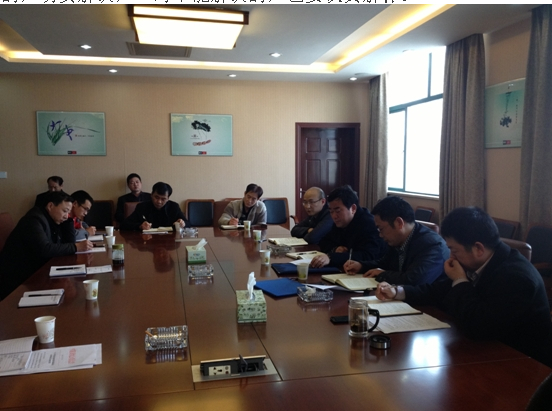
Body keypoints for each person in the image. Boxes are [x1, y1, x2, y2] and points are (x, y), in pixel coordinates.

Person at [376, 206, 552, 367]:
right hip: (486, 352)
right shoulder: (482, 260)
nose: (450, 257)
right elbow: (438, 291)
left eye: (454, 250)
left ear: (478, 249)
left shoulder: (516, 277)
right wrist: (397, 292)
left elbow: (478, 327)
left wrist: (460, 280)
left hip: (523, 365)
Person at [0, 191, 93, 300]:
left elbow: (68, 242)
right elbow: (45, 249)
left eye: (68, 212)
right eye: (64, 211)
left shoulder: (53, 219)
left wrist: (68, 220)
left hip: (36, 271)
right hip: (19, 279)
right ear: (50, 206)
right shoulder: (34, 220)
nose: (66, 215)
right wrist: (76, 247)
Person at [343, 196, 449, 285]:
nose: (380, 235)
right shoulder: (399, 239)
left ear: (399, 223)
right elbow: (384, 263)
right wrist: (361, 266)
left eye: (381, 229)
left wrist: (383, 274)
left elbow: (415, 280)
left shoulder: (432, 245)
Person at [311, 185, 386, 269]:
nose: (334, 216)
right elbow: (324, 241)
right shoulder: (341, 222)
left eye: (338, 211)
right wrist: (335, 249)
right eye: (331, 211)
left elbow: (367, 255)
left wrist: (331, 257)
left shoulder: (369, 224)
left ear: (353, 208)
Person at [121, 182, 188, 230]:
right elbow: (124, 225)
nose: (159, 201)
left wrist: (183, 223)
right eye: (156, 197)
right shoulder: (142, 207)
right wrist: (140, 226)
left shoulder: (174, 207)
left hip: (168, 242)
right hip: (147, 241)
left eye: (163, 199)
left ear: (168, 199)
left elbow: (188, 224)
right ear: (151, 195)